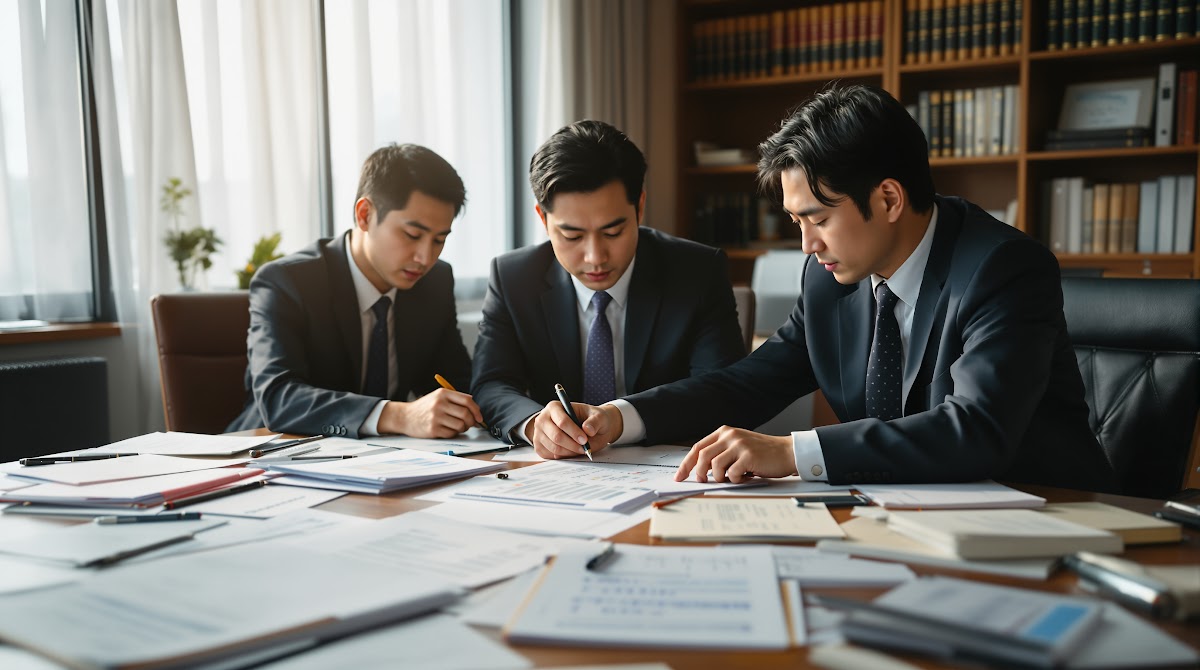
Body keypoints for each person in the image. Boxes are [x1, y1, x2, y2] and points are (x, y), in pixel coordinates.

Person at [532, 85, 1117, 493]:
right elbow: (750, 383)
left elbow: (976, 429)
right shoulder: (831, 277)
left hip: (1049, 518)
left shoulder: (1003, 268)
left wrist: (792, 452)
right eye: (797, 222)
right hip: (897, 514)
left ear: (888, 199)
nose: (806, 245)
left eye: (818, 218)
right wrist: (618, 416)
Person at [471, 120, 746, 453]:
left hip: (667, 467)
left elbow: (720, 391)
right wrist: (532, 424)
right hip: (554, 476)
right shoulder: (513, 277)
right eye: (572, 236)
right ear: (543, 220)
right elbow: (490, 384)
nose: (595, 257)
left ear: (640, 207)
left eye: (613, 232)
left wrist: (622, 419)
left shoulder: (697, 272)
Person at [227, 143, 482, 439]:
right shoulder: (288, 282)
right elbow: (279, 399)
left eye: (439, 240)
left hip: (383, 463)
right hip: (271, 454)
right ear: (364, 214)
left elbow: (457, 383)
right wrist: (398, 415)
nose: (425, 258)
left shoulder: (434, 282)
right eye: (412, 235)